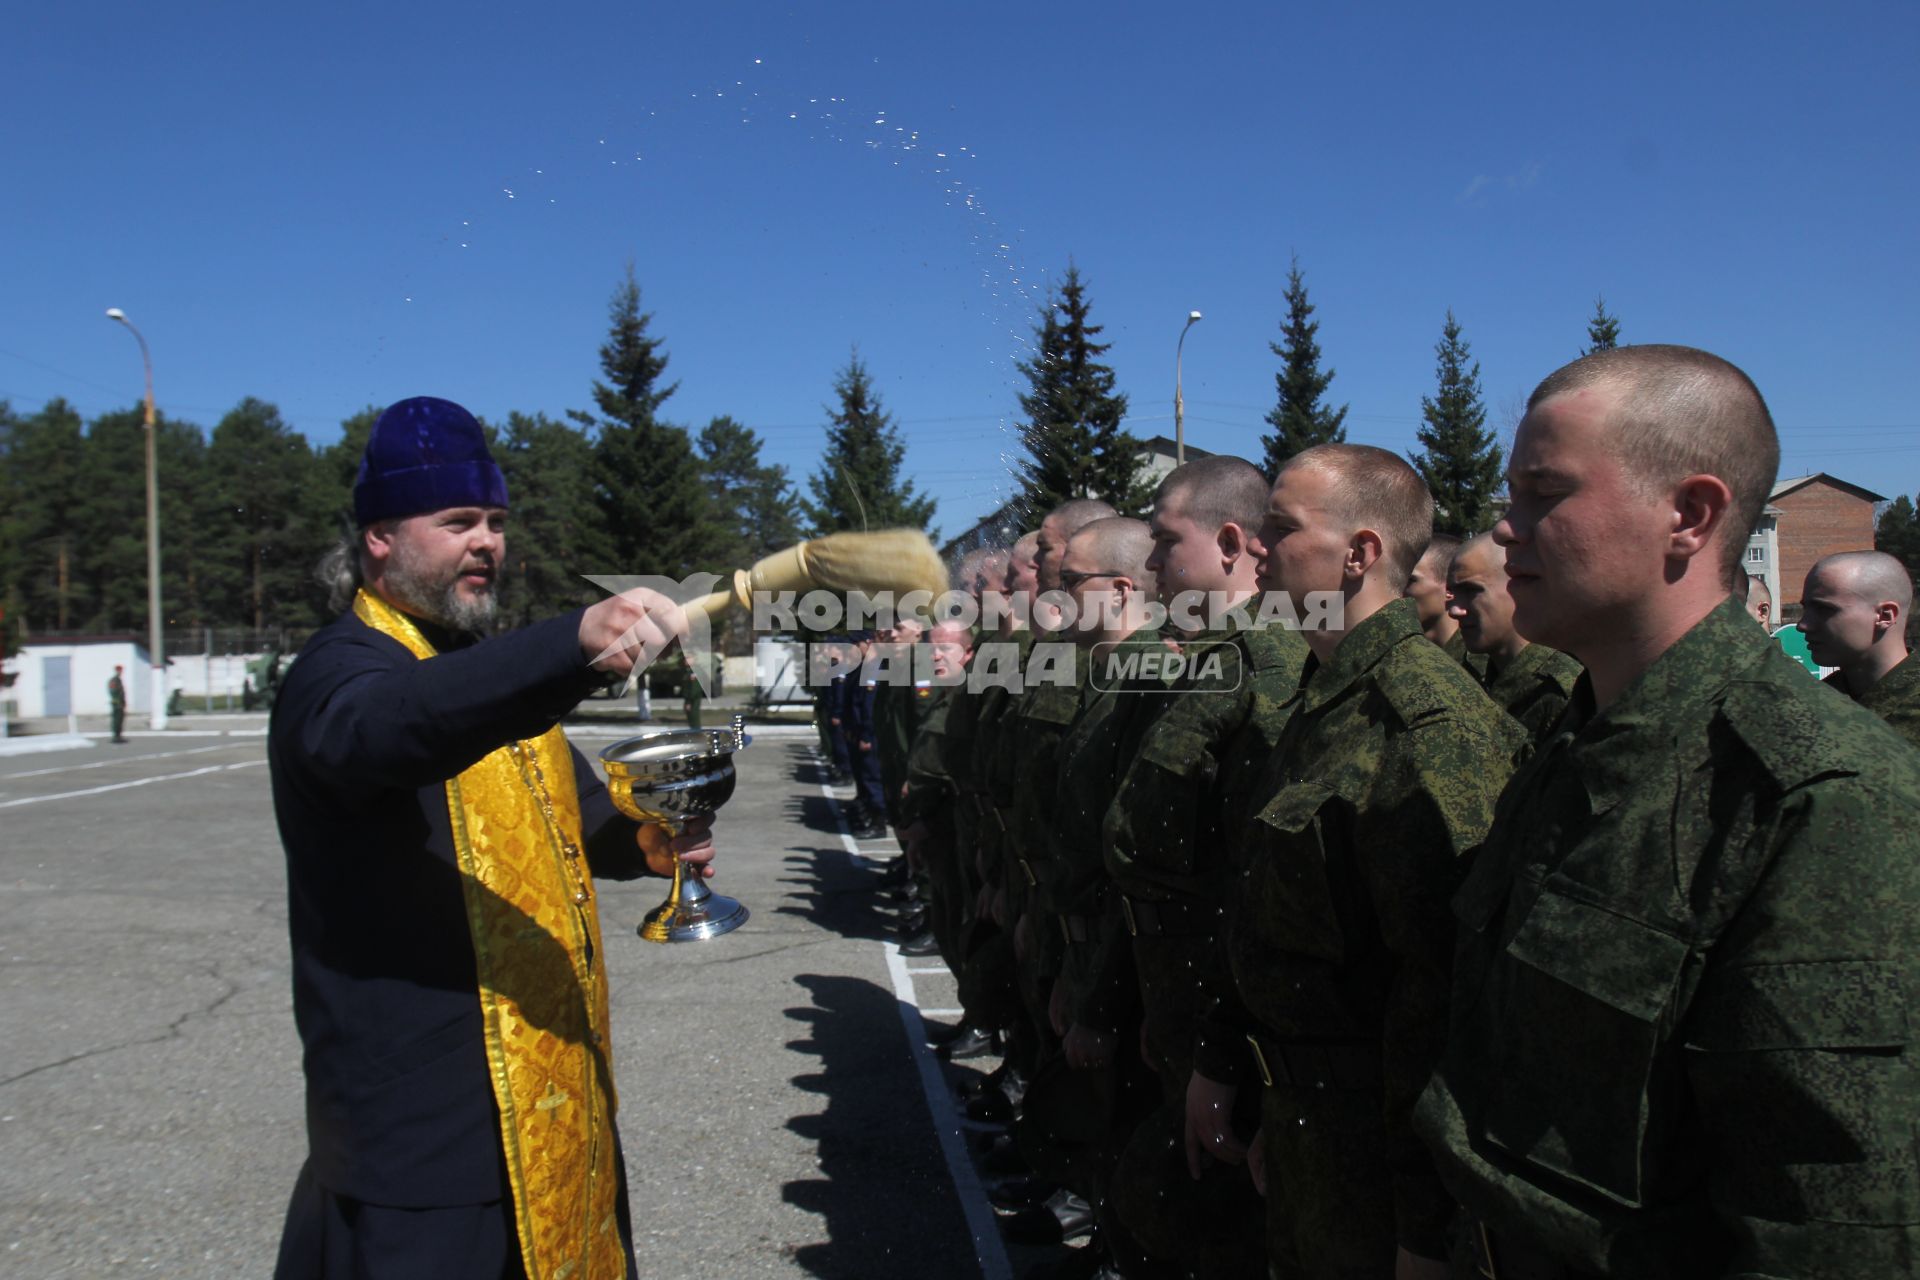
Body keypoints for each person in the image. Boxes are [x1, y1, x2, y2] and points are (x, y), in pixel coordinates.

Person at [1415, 346, 1920, 1278]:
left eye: (1542, 492)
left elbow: (1824, 1232)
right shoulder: (1576, 745)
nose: (1502, 528)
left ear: (1688, 517)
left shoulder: (1818, 801)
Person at [269, 396, 716, 1280]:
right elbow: (396, 729)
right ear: (380, 539)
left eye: (498, 522)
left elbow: (575, 813)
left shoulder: (485, 675)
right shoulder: (342, 672)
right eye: (458, 521)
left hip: (558, 1095)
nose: (488, 542)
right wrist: (569, 646)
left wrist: (647, 844)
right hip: (427, 1150)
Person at [1187, 444, 1523, 1280]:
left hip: (1380, 1164)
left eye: (1281, 529)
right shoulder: (1322, 697)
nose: (1256, 548)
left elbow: (1447, 1004)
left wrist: (1428, 1229)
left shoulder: (1429, 729)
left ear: (1359, 555)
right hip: (1309, 1127)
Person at [1104, 455, 1306, 1279]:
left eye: (1163, 543)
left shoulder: (1268, 673)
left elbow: (1260, 890)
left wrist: (1222, 1051)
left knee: (1219, 1231)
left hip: (1225, 1002)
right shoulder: (1202, 660)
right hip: (1179, 987)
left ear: (1229, 542)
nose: (1150, 565)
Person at [1447, 531, 1584, 743]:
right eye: (1453, 593)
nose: (1455, 610)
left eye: (1471, 591)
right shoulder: (1470, 674)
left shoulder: (1560, 693)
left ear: (1520, 588)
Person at [1799, 549, 1919, 746]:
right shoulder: (1813, 702)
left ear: (1885, 616)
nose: (1803, 624)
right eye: (1806, 609)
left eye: (1824, 609)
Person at [107, 664, 127, 743]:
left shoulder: (119, 680)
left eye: (121, 670)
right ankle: (115, 736)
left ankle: (119, 735)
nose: (121, 672)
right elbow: (113, 692)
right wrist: (118, 702)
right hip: (116, 704)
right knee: (116, 720)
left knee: (120, 720)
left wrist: (123, 702)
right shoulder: (114, 680)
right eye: (119, 670)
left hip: (120, 703)